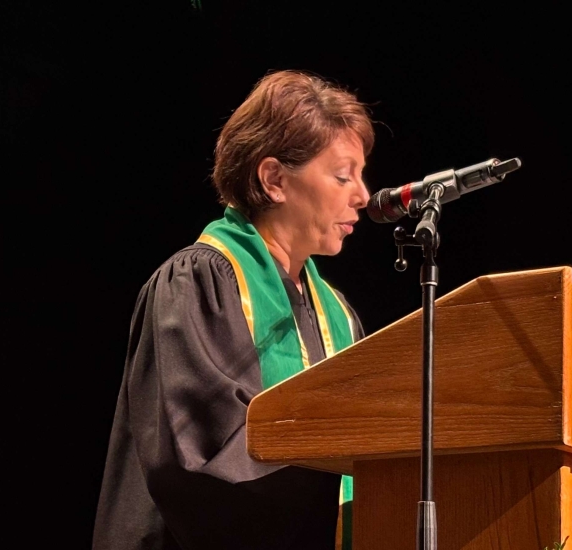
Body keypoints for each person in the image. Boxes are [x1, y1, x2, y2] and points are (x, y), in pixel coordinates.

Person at [92, 70, 373, 550]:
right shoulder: (197, 284)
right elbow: (201, 460)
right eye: (343, 175)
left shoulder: (337, 312)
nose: (364, 196)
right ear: (274, 179)